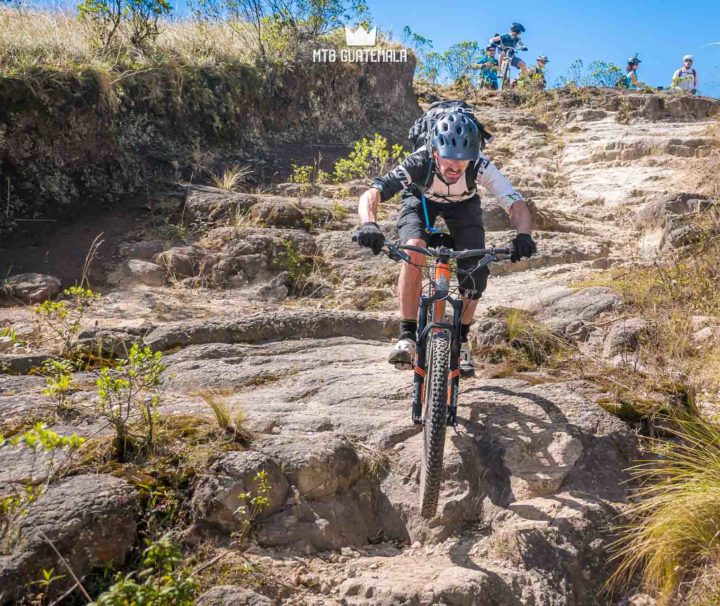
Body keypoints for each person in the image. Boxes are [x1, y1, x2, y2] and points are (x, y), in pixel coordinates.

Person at [354, 108, 536, 376]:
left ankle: (461, 339)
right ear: (435, 152)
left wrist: (524, 235)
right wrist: (368, 223)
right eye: (449, 159)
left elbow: (515, 203)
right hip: (421, 202)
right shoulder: (419, 161)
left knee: (476, 268)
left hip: (464, 207)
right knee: (414, 248)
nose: (455, 167)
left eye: (462, 161)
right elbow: (373, 193)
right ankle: (407, 336)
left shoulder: (480, 164)